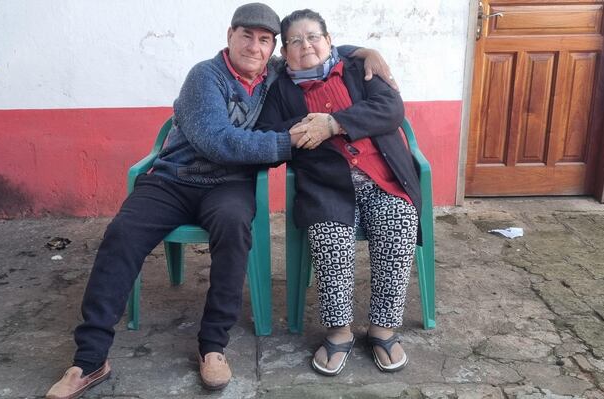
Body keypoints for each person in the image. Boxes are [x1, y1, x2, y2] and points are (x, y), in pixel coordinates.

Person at [45, 3, 397, 398]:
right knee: (122, 234)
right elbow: (219, 141)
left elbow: (312, 46)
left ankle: (213, 346)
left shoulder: (275, 72)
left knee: (234, 230)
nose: (254, 46)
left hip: (228, 185)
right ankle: (89, 360)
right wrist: (288, 140)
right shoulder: (205, 76)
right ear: (229, 36)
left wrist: (363, 51)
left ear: (272, 49)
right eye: (246, 35)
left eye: (264, 40)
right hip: (173, 180)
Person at [255, 9, 422, 376]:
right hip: (327, 185)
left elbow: (391, 108)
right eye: (295, 41)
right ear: (285, 52)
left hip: (383, 177)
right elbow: (267, 131)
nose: (306, 46)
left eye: (313, 36)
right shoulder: (281, 87)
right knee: (330, 237)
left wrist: (334, 124)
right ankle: (339, 331)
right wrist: (303, 127)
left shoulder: (357, 68)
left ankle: (383, 328)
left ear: (329, 40)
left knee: (398, 224)